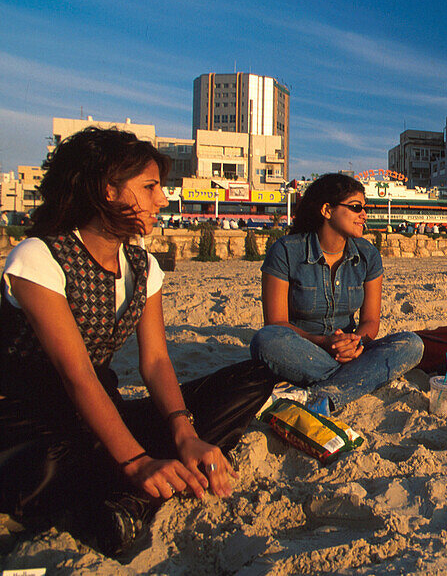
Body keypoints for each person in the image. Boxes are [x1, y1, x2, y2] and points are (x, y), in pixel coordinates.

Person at [0, 128, 276, 558]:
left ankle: (130, 484)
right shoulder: (39, 257)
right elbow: (77, 377)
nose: (161, 201)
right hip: (32, 422)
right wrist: (137, 460)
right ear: (107, 190)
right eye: (150, 188)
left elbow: (156, 362)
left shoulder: (142, 263)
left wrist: (184, 433)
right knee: (50, 466)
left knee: (252, 380)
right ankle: (127, 487)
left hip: (106, 415)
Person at [250, 173, 423, 416]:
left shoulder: (368, 255)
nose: (364, 214)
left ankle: (320, 395)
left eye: (365, 208)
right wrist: (325, 343)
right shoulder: (287, 251)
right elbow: (276, 323)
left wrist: (353, 343)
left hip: (351, 350)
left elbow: (370, 321)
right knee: (265, 340)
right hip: (303, 348)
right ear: (327, 210)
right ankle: (349, 382)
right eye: (355, 207)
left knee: (412, 345)